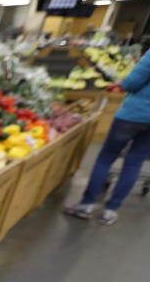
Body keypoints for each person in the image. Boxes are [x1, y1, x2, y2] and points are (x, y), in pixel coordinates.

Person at [64, 48, 150, 225]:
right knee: (135, 162)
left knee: (106, 157)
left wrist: (123, 83)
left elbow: (131, 83)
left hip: (132, 115)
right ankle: (111, 211)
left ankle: (86, 205)